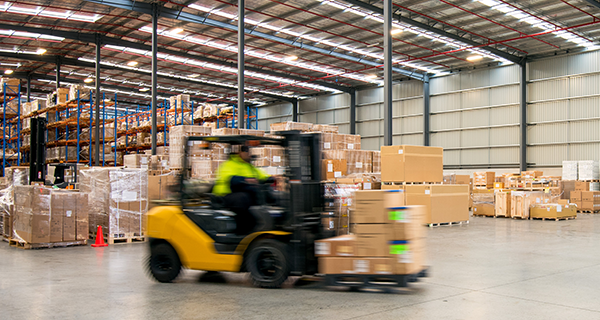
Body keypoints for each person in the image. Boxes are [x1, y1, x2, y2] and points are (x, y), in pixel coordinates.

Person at [212, 145, 273, 234]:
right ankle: (243, 230)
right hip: (226, 194)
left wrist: (271, 178)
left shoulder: (248, 166)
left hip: (243, 193)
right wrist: (245, 180)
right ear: (239, 152)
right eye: (247, 151)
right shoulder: (229, 164)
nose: (249, 154)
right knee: (243, 199)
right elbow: (229, 178)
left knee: (272, 196)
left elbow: (261, 175)